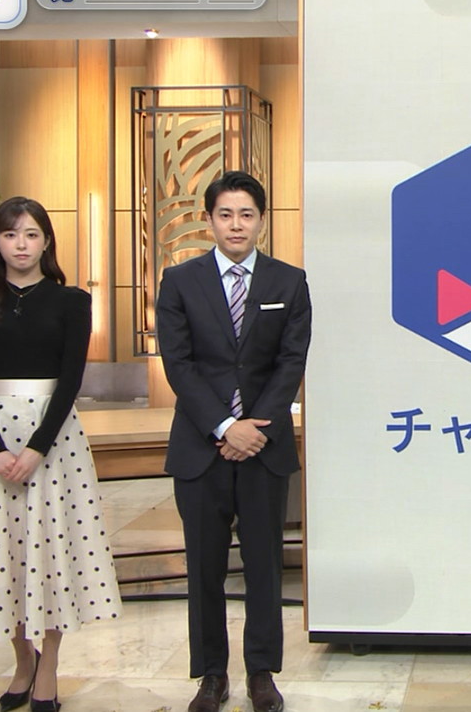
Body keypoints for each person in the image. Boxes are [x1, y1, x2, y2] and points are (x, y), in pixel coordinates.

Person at [0, 197, 120, 712]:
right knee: (2, 554)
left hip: (53, 442)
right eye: (11, 234)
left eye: (32, 235)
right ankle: (21, 660)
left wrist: (36, 448)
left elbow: (71, 381)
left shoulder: (71, 302)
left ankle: (49, 664)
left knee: (51, 553)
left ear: (46, 242)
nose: (21, 245)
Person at [156, 171, 311, 712]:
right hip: (202, 448)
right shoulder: (180, 281)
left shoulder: (289, 282)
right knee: (204, 567)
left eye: (247, 214)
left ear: (261, 221)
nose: (236, 224)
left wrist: (254, 429)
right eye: (226, 214)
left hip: (264, 448)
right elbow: (178, 363)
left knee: (265, 565)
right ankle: (212, 675)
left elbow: (291, 361)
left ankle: (262, 674)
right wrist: (225, 427)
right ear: (209, 220)